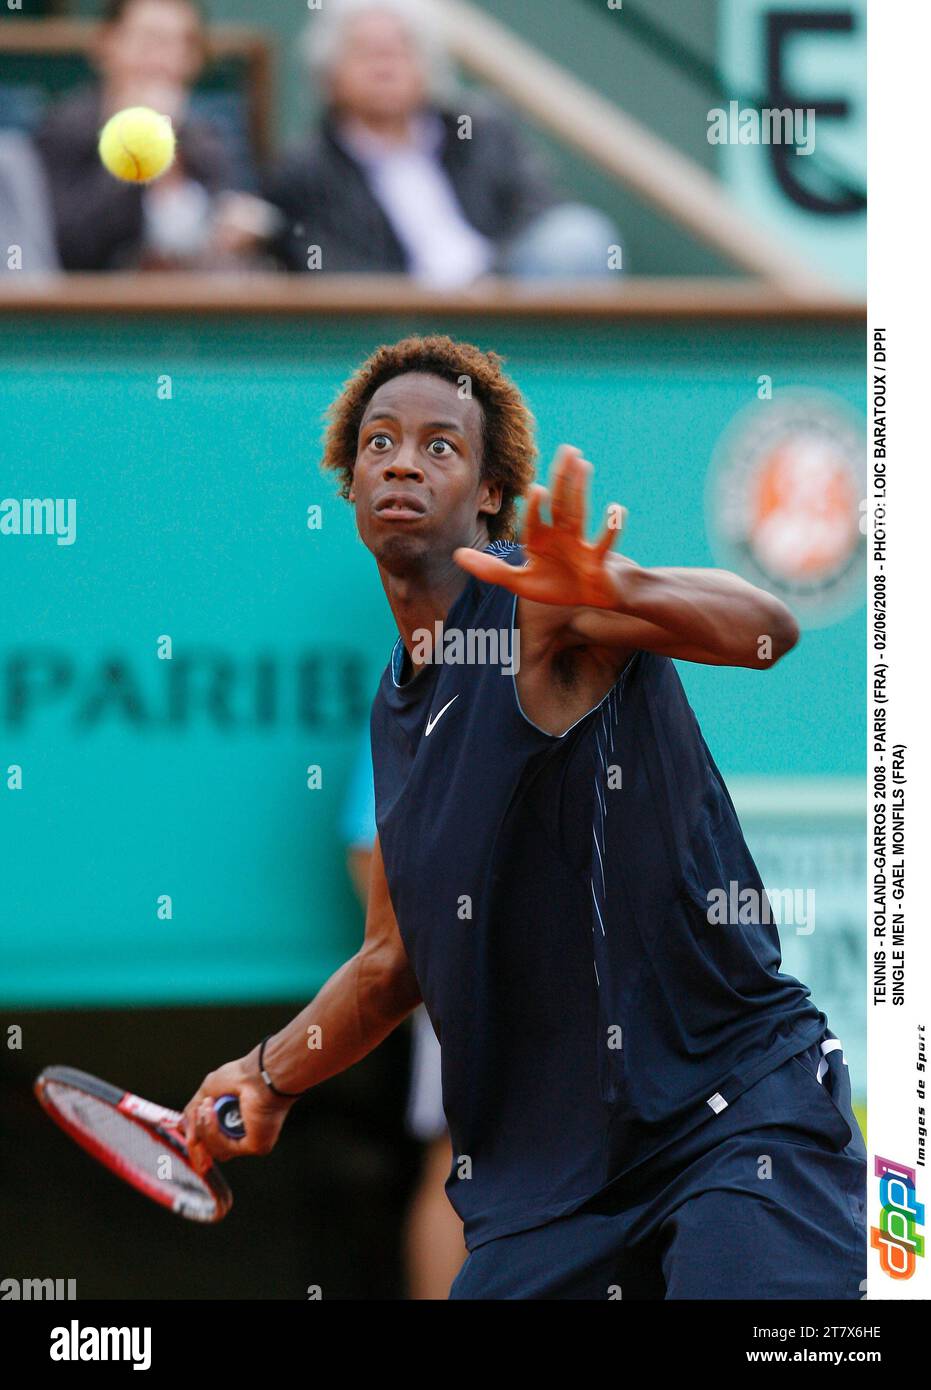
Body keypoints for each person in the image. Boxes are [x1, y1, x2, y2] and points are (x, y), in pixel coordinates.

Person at [184, 334, 866, 1300]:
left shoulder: (541, 611)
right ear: (348, 484)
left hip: (732, 1119)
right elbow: (392, 963)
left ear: (491, 492)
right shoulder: (396, 713)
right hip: (552, 1196)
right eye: (378, 443)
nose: (403, 461)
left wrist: (621, 589)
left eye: (439, 446)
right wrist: (269, 1073)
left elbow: (769, 629)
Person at [265, 0, 620, 284]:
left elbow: (538, 207)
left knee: (579, 236)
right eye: (366, 52)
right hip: (405, 327)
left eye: (399, 49)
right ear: (329, 75)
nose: (384, 65)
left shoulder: (483, 130)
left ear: (427, 66)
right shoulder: (305, 168)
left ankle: (543, 372)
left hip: (509, 295)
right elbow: (329, 267)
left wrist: (490, 278)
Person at [341, 735, 465, 1299]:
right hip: (465, 977)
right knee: (461, 1159)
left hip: (597, 976)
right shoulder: (421, 686)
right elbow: (369, 849)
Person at [34, 0, 269, 271]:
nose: (161, 61)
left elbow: (240, 220)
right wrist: (140, 151)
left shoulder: (209, 138)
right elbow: (69, 248)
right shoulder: (64, 132)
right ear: (107, 44)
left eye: (180, 45)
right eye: (149, 41)